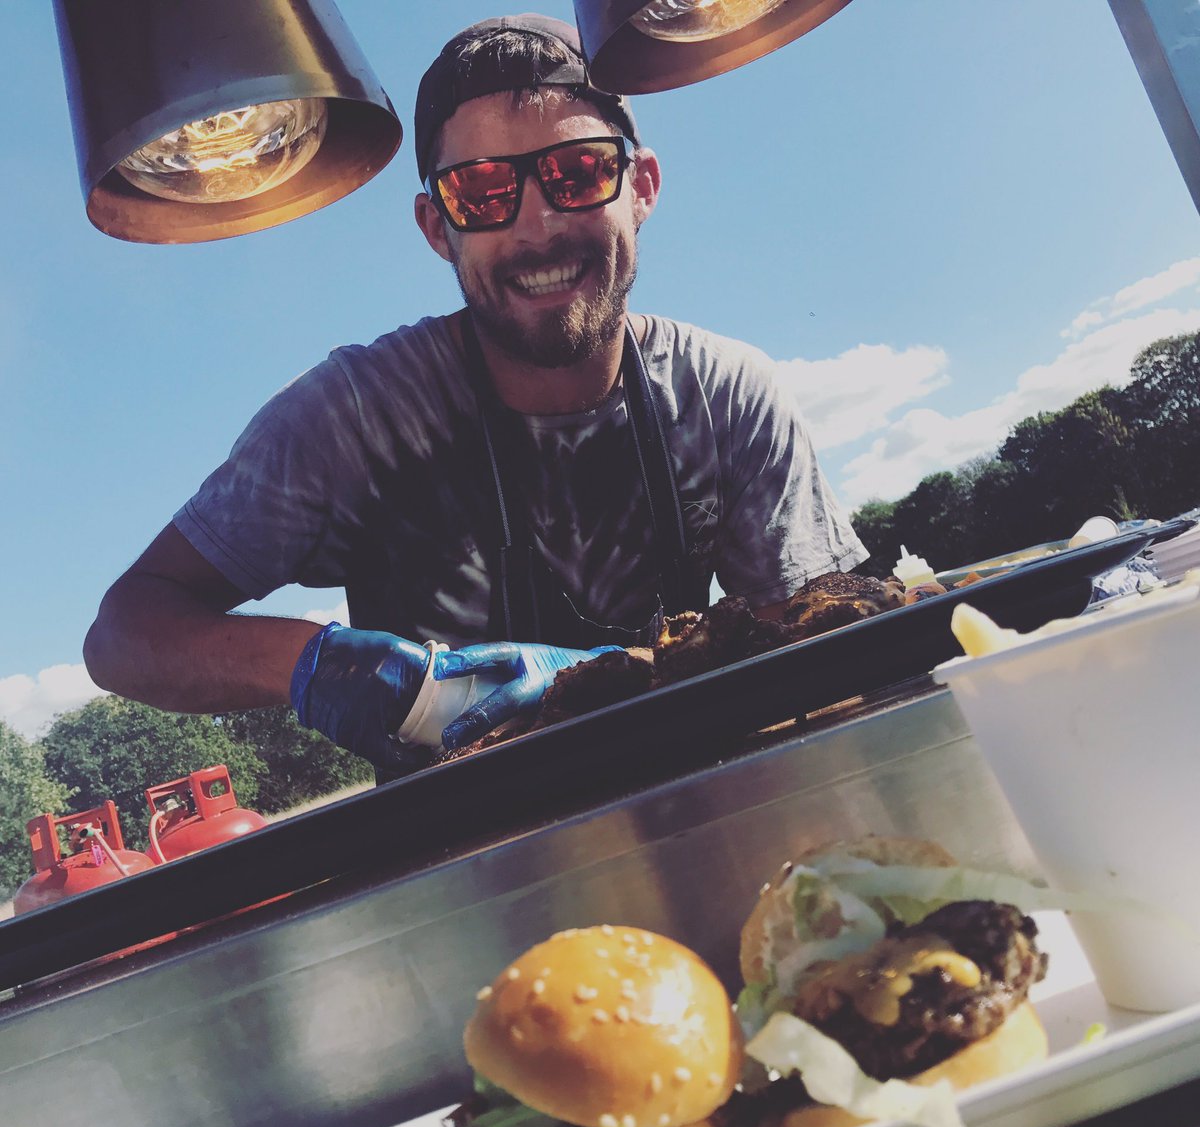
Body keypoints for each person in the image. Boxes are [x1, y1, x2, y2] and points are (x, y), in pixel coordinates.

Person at [83, 14, 867, 778]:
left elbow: (825, 644)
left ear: (642, 187)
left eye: (578, 172)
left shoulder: (723, 395)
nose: (537, 227)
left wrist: (617, 676)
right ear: (436, 227)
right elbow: (123, 632)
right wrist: (309, 662)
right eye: (483, 192)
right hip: (460, 849)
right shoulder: (354, 420)